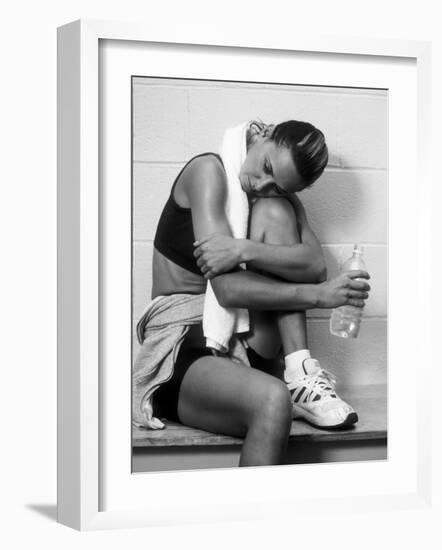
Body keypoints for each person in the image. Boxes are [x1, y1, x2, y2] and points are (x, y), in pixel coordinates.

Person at [133, 119, 370, 467]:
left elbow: (314, 265)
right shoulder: (207, 172)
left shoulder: (273, 198)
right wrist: (320, 296)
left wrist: (243, 249)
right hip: (185, 351)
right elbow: (228, 290)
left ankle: (301, 373)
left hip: (242, 341)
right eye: (266, 167)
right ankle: (248, 521)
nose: (261, 184)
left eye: (277, 185)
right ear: (262, 133)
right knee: (272, 399)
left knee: (277, 211)